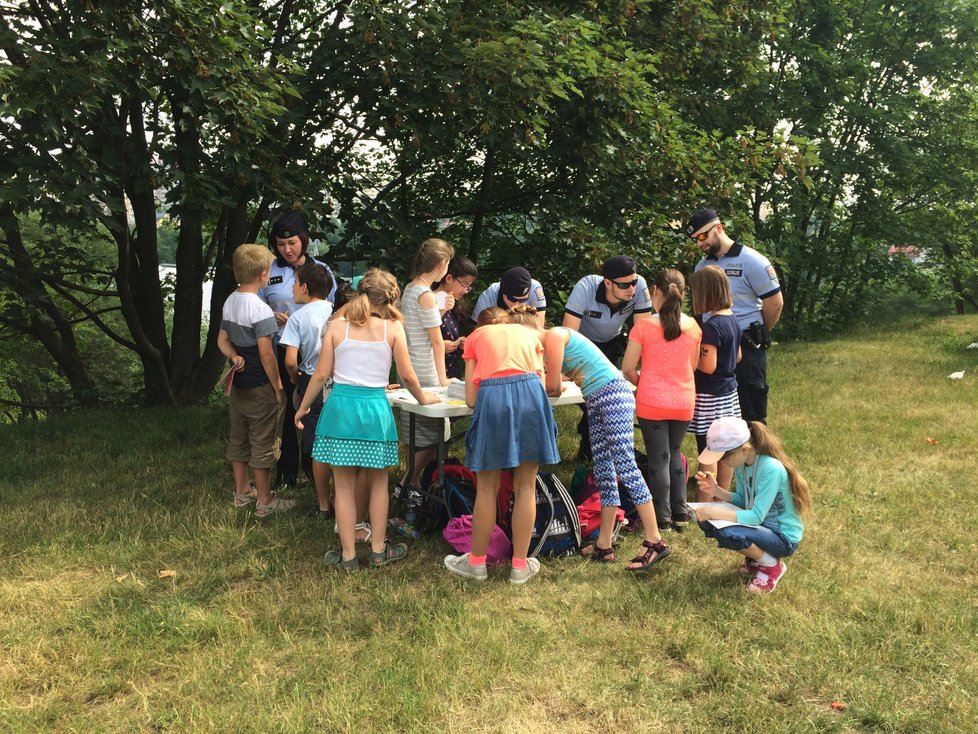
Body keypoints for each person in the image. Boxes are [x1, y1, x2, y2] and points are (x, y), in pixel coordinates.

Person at [295, 268, 438, 571]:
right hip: (374, 411)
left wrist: (303, 407)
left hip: (340, 410)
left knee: (343, 487)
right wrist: (425, 399)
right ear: (390, 298)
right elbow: (408, 376)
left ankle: (347, 556)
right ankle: (377, 550)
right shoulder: (393, 330)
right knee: (379, 484)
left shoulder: (337, 327)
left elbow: (321, 375)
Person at [513, 310, 671, 571]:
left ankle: (655, 540)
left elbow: (551, 386)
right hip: (596, 401)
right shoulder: (548, 347)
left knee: (626, 467)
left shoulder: (554, 335)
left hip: (612, 395)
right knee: (603, 472)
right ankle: (604, 544)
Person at [443, 304, 560, 584]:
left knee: (486, 487)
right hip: (532, 394)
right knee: (526, 485)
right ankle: (520, 565)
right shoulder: (529, 334)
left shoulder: (476, 337)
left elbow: (471, 399)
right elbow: (542, 382)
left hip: (493, 399)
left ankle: (477, 563)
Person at [259, 210, 338, 491]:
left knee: (315, 409)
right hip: (283, 347)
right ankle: (287, 468)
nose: (287, 249)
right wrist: (272, 317)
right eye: (281, 245)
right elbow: (257, 308)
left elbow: (333, 310)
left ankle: (313, 464)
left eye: (291, 242)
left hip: (318, 351)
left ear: (303, 240)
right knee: (288, 407)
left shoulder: (321, 270)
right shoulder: (270, 271)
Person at [217, 244, 295, 517]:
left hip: (239, 384)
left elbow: (222, 340)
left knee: (239, 437)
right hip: (261, 384)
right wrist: (278, 386)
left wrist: (234, 356)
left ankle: (242, 492)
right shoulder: (260, 309)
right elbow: (266, 354)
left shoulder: (231, 300)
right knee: (263, 440)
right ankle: (265, 500)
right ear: (264, 275)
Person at [622, 269, 701, 532]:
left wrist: (643, 383)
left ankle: (662, 518)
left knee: (659, 457)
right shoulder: (693, 328)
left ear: (655, 291)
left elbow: (628, 368)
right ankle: (680, 512)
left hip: (652, 401)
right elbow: (693, 365)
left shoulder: (643, 327)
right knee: (675, 453)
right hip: (683, 400)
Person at [687, 208, 783, 423]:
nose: (699, 243)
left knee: (752, 410)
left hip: (746, 341)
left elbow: (775, 304)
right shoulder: (703, 266)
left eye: (702, 236)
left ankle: (759, 455)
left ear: (719, 228)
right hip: (712, 342)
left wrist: (756, 333)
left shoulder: (752, 260)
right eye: (695, 239)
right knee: (717, 412)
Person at [693, 417, 810, 594]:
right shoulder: (742, 464)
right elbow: (744, 499)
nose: (722, 463)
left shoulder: (771, 468)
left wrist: (715, 511)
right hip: (762, 528)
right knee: (706, 522)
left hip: (783, 538)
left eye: (724, 457)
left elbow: (755, 516)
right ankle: (757, 559)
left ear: (745, 449)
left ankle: (771, 566)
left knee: (729, 533)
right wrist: (716, 491)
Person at [563, 255, 653, 460]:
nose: (631, 288)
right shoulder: (585, 287)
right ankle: (592, 449)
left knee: (607, 399)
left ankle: (593, 452)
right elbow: (568, 335)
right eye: (624, 285)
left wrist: (647, 372)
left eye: (634, 281)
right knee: (594, 399)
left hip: (612, 343)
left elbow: (644, 333)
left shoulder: (640, 287)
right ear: (607, 283)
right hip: (582, 346)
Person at [397, 238, 454, 493]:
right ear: (441, 264)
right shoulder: (427, 295)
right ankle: (408, 480)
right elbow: (437, 341)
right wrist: (443, 380)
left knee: (413, 431)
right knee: (437, 434)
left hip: (409, 365)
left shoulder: (410, 288)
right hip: (426, 370)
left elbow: (418, 328)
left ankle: (417, 484)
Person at [280, 263, 334, 518]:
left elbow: (290, 360)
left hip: (311, 378)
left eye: (294, 282)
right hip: (338, 380)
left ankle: (324, 504)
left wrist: (294, 378)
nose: (291, 287)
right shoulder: (337, 313)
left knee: (316, 441)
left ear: (304, 287)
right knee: (336, 435)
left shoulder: (298, 317)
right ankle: (342, 492)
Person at [689, 265, 742, 497]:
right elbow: (738, 356)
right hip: (729, 393)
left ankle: (703, 501)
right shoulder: (733, 320)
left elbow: (707, 367)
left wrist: (693, 353)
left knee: (708, 450)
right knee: (726, 447)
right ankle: (722, 496)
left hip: (710, 397)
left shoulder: (711, 327)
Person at [432, 256, 478, 380]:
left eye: (468, 287)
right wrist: (440, 346)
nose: (465, 290)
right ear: (449, 278)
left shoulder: (454, 303)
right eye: (464, 284)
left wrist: (459, 341)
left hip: (451, 368)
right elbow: (419, 337)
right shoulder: (430, 300)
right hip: (434, 370)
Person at [471, 266, 546, 326]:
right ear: (502, 292)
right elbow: (478, 331)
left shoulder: (535, 288)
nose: (517, 305)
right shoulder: (487, 298)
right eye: (513, 299)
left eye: (523, 300)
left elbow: (539, 326)